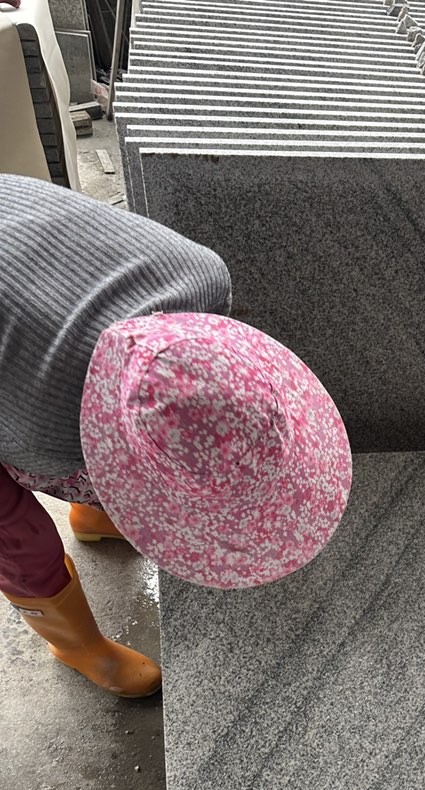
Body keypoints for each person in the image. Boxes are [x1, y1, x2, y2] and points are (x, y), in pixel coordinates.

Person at [0, 173, 352, 697]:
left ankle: (95, 519)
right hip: (29, 380)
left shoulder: (201, 277)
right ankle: (76, 645)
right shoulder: (40, 431)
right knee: (18, 542)